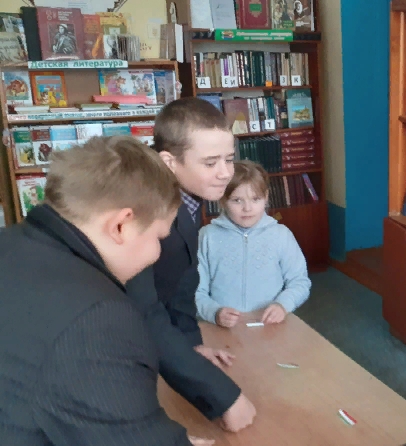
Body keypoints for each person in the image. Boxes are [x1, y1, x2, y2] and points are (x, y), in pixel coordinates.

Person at [0, 136, 203, 445]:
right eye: (158, 238)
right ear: (121, 225)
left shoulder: (9, 243)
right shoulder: (99, 319)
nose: (157, 253)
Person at [124, 97, 256, 432]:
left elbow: (183, 278)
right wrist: (220, 394)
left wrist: (191, 344)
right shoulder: (142, 212)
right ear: (169, 162)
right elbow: (144, 308)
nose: (226, 173)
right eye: (210, 163)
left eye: (229, 158)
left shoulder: (190, 191)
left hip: (154, 336)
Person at [195, 160, 311, 327]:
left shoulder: (281, 235)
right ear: (222, 200)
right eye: (237, 200)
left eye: (255, 199)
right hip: (221, 327)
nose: (247, 208)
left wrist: (282, 305)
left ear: (266, 198)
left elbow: (300, 282)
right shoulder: (207, 236)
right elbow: (195, 290)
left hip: (271, 325)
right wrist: (214, 313)